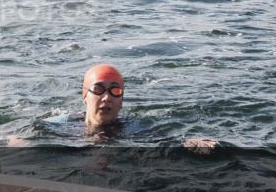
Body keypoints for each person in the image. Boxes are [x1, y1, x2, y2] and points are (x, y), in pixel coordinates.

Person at [81, 64, 217, 151]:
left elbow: (162, 139)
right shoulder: (63, 123)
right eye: (98, 89)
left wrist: (187, 143)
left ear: (121, 102)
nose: (107, 97)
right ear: (85, 96)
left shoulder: (131, 128)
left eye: (115, 91)